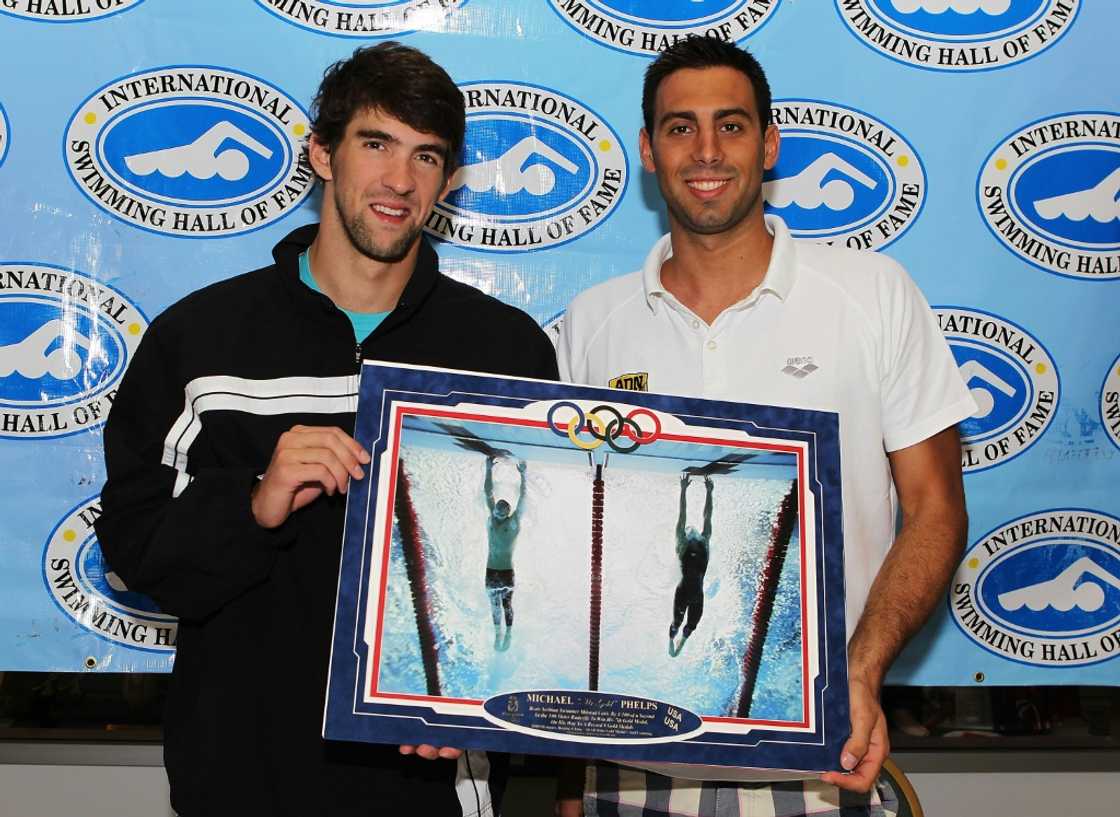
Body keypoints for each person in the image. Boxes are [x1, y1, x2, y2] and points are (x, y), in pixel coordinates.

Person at [94, 43, 558, 817]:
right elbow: (134, 549)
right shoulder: (201, 339)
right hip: (240, 781)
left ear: (448, 181)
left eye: (427, 156)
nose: (400, 181)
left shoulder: (504, 352)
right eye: (376, 144)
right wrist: (252, 501)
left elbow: (547, 571)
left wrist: (480, 695)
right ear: (322, 155)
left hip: (433, 786)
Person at [555, 36, 974, 816]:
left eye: (732, 125)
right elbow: (572, 544)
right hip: (629, 756)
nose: (706, 150)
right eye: (680, 128)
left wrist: (860, 666)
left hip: (821, 756)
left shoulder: (872, 294)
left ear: (770, 143)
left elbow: (936, 507)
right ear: (648, 150)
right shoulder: (592, 324)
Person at [484, 455, 527, 650]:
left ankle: (508, 633)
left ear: (507, 513)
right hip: (490, 571)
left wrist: (523, 476)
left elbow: (522, 499)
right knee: (494, 605)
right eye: (496, 512)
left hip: (506, 572)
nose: (498, 515)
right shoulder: (492, 520)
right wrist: (488, 469)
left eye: (502, 513)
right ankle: (497, 633)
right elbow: (488, 494)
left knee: (506, 605)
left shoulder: (513, 523)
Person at [669, 474, 713, 656]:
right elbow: (682, 513)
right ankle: (672, 640)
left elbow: (707, 515)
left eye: (690, 527)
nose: (690, 528)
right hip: (684, 593)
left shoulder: (704, 539)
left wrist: (709, 492)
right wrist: (683, 489)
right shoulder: (682, 542)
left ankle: (680, 643)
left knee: (691, 625)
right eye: (687, 528)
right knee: (678, 623)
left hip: (696, 595)